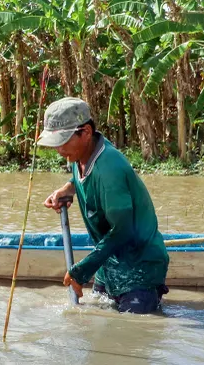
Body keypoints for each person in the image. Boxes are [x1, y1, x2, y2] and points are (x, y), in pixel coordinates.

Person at [38, 97, 169, 314]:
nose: (59, 150)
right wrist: (68, 190)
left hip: (139, 266)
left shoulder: (110, 169)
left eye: (63, 141)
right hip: (110, 262)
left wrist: (82, 270)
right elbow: (84, 179)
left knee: (132, 330)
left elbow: (123, 231)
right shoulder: (82, 153)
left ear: (86, 132)